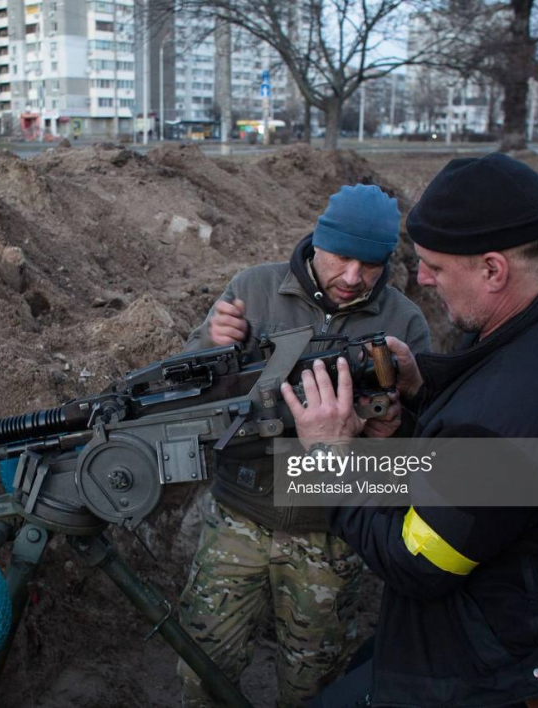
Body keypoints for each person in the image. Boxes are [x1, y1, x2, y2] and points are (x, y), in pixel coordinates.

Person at [281, 153, 538, 707]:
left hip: (534, 641)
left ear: (494, 269)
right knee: (366, 665)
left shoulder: (518, 407)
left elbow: (415, 562)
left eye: (434, 266)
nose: (421, 278)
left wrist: (328, 458)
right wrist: (422, 384)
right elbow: (495, 422)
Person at [178, 184, 431, 707]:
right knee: (203, 666)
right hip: (238, 519)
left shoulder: (404, 323)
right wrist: (208, 346)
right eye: (342, 257)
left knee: (314, 682)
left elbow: (425, 442)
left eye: (371, 264)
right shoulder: (255, 288)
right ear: (318, 240)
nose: (353, 278)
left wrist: (397, 423)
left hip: (333, 535)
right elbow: (184, 390)